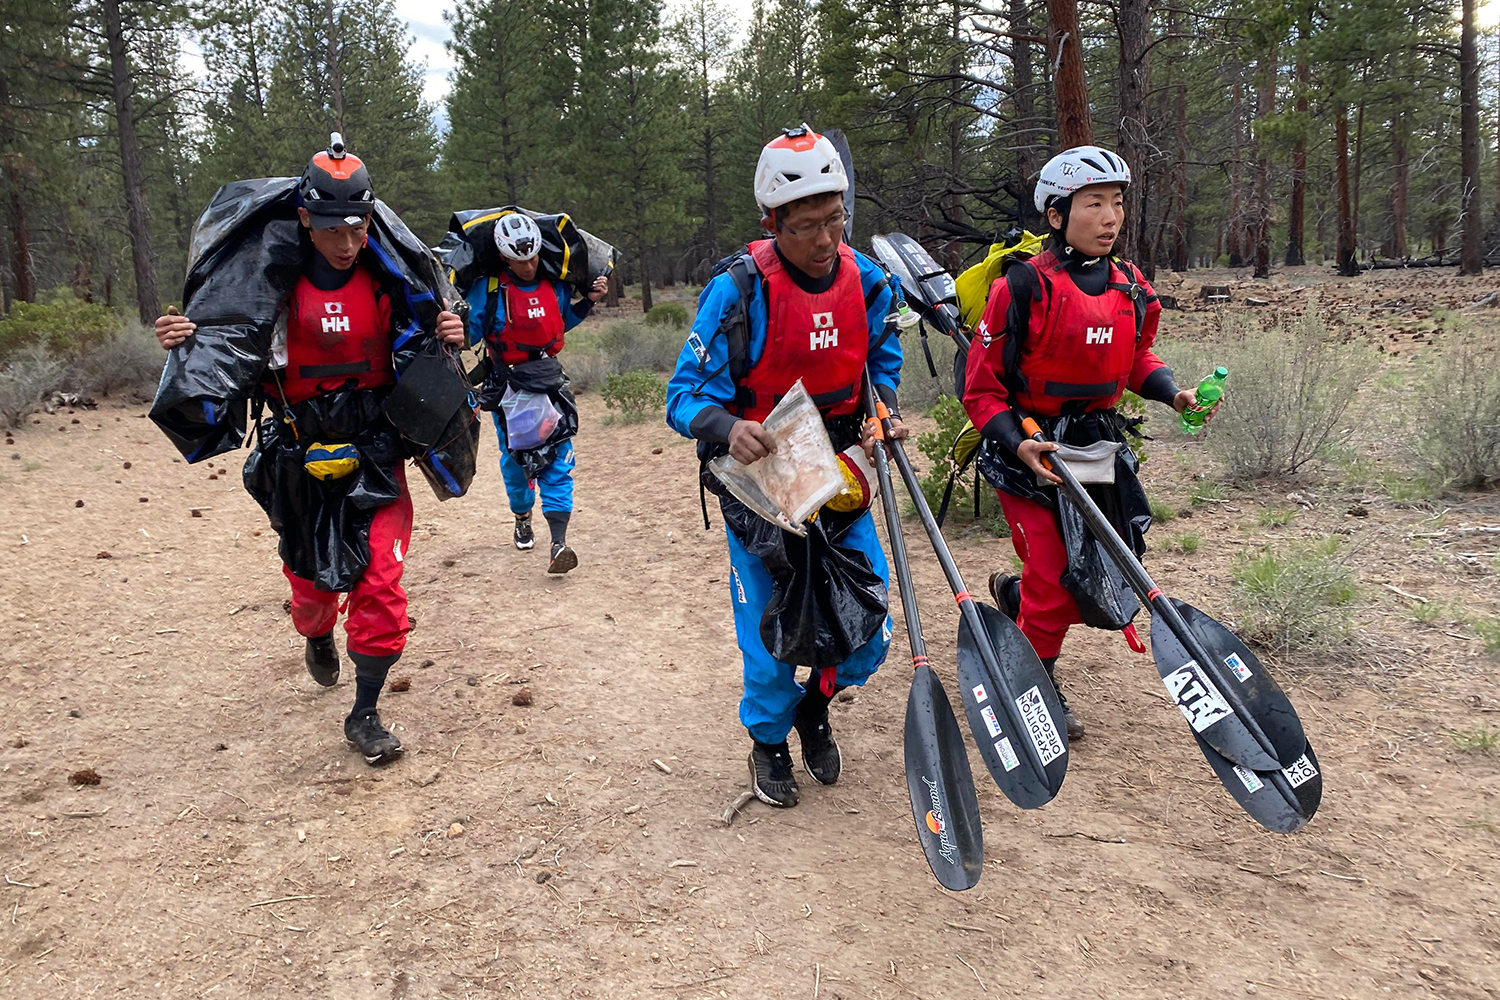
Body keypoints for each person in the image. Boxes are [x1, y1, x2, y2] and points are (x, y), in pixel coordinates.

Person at [153, 135, 466, 765]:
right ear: (304, 219)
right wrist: (185, 340)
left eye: (358, 228)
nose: (347, 243)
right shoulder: (263, 292)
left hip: (377, 451)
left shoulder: (396, 288)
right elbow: (224, 350)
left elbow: (431, 347)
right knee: (312, 588)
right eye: (332, 229)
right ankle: (317, 632)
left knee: (381, 579)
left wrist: (451, 332)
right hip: (298, 454)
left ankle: (366, 711)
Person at [666, 124, 907, 808]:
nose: (825, 241)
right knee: (772, 636)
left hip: (839, 469)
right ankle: (768, 740)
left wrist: (880, 413)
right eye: (805, 227)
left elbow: (879, 367)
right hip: (762, 477)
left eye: (835, 221)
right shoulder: (738, 291)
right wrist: (726, 425)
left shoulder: (870, 283)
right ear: (772, 222)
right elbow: (682, 396)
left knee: (870, 626)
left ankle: (815, 705)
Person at [961, 145, 1217, 742]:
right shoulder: (1021, 287)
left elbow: (1135, 359)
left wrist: (1175, 394)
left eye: (1117, 203)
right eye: (1093, 203)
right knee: (1055, 574)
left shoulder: (1131, 287)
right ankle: (1036, 680)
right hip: (1026, 448)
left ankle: (1017, 597)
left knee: (1101, 578)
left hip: (1097, 448)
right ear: (1056, 215)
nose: (1110, 217)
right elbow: (982, 389)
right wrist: (1017, 441)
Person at [465, 213, 608, 574]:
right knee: (516, 462)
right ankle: (522, 514)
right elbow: (471, 334)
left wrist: (587, 302)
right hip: (508, 387)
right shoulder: (490, 290)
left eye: (531, 257)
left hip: (549, 383)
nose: (527, 265)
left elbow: (560, 324)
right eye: (518, 259)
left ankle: (558, 542)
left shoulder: (553, 286)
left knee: (559, 459)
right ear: (503, 257)